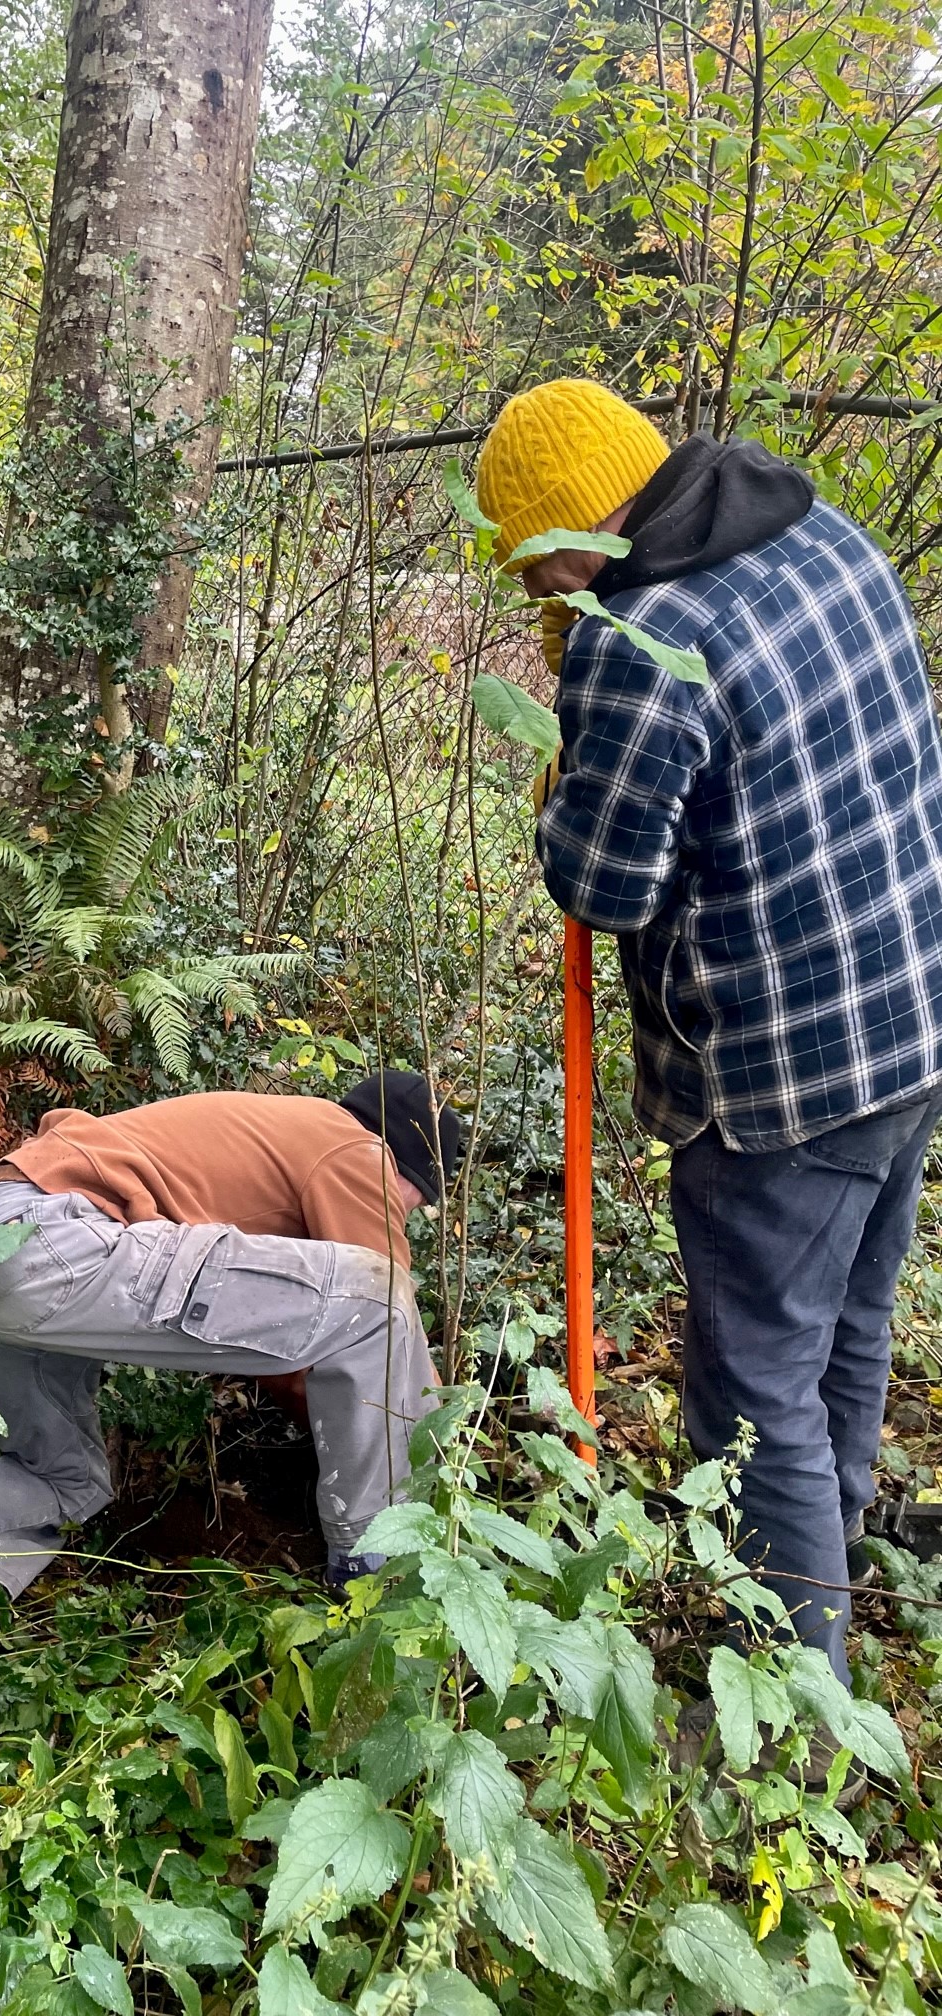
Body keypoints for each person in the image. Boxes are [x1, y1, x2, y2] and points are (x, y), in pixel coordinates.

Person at [476, 380, 942, 1686]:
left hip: (788, 1077)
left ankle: (791, 1704)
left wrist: (564, 775)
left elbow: (601, 883)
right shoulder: (818, 529)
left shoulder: (642, 639)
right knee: (846, 1322)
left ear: (567, 544)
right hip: (916, 1016)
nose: (541, 609)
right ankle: (828, 1575)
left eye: (536, 578)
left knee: (754, 1391)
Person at [0, 1072, 459, 1692]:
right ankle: (377, 1585)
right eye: (420, 1202)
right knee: (381, 1301)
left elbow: (299, 1353)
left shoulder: (269, 1132)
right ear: (407, 1166)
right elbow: (380, 1326)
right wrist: (452, 1455)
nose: (409, 1213)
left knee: (66, 1482)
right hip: (50, 1239)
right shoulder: (355, 1147)